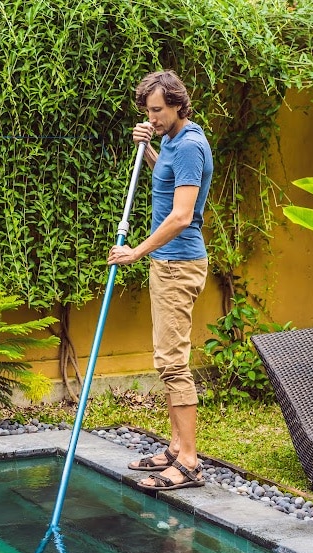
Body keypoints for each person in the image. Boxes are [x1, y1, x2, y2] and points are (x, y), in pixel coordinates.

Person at [107, 70, 213, 491]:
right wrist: (149, 149)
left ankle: (188, 462)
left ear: (177, 106)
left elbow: (182, 215)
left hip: (177, 265)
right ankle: (173, 447)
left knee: (173, 364)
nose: (151, 117)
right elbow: (167, 180)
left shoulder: (189, 145)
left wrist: (135, 251)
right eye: (147, 111)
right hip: (167, 263)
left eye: (157, 111)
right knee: (167, 360)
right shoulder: (172, 140)